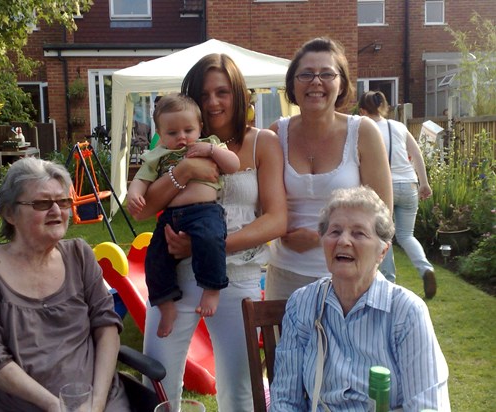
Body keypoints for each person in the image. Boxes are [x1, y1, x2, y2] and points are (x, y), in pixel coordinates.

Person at [127, 53, 287, 411]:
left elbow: (276, 220)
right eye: (204, 93)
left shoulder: (264, 142)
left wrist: (205, 248)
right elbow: (147, 208)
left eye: (223, 92)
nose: (213, 102)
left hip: (237, 280)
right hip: (175, 278)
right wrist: (181, 173)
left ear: (239, 93)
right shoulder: (174, 143)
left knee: (240, 391)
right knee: (159, 386)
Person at [0, 157, 130, 412]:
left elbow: (106, 326)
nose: (57, 211)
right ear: (9, 213)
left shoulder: (80, 255)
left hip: (99, 400)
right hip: (27, 405)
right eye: (41, 203)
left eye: (63, 202)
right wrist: (55, 405)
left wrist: (97, 403)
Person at [270, 186, 450, 411]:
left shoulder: (406, 312)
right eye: (335, 232)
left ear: (382, 251)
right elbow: (285, 399)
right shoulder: (303, 304)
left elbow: (428, 405)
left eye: (359, 233)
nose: (343, 241)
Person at [265, 37, 393, 301]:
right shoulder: (277, 133)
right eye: (306, 74)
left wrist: (321, 237)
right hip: (286, 275)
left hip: (350, 276)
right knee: (287, 343)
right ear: (292, 84)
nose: (316, 82)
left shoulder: (362, 132)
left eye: (326, 74)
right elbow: (262, 205)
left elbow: (383, 214)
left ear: (342, 83)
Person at [127, 93, 240, 338]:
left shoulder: (208, 145)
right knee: (155, 258)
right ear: (160, 133)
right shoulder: (157, 156)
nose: (181, 137)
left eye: (188, 130)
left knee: (210, 241)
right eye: (172, 133)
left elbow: (233, 165)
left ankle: (212, 287)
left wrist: (211, 149)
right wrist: (133, 194)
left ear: (200, 127)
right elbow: (140, 179)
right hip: (170, 217)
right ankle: (166, 305)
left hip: (204, 211)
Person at [358, 90, 436, 298]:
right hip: (409, 184)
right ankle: (425, 268)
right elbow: (417, 153)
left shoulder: (365, 129)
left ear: (363, 110)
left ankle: (389, 281)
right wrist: (424, 184)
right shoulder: (399, 127)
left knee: (384, 234)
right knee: (406, 235)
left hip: (384, 187)